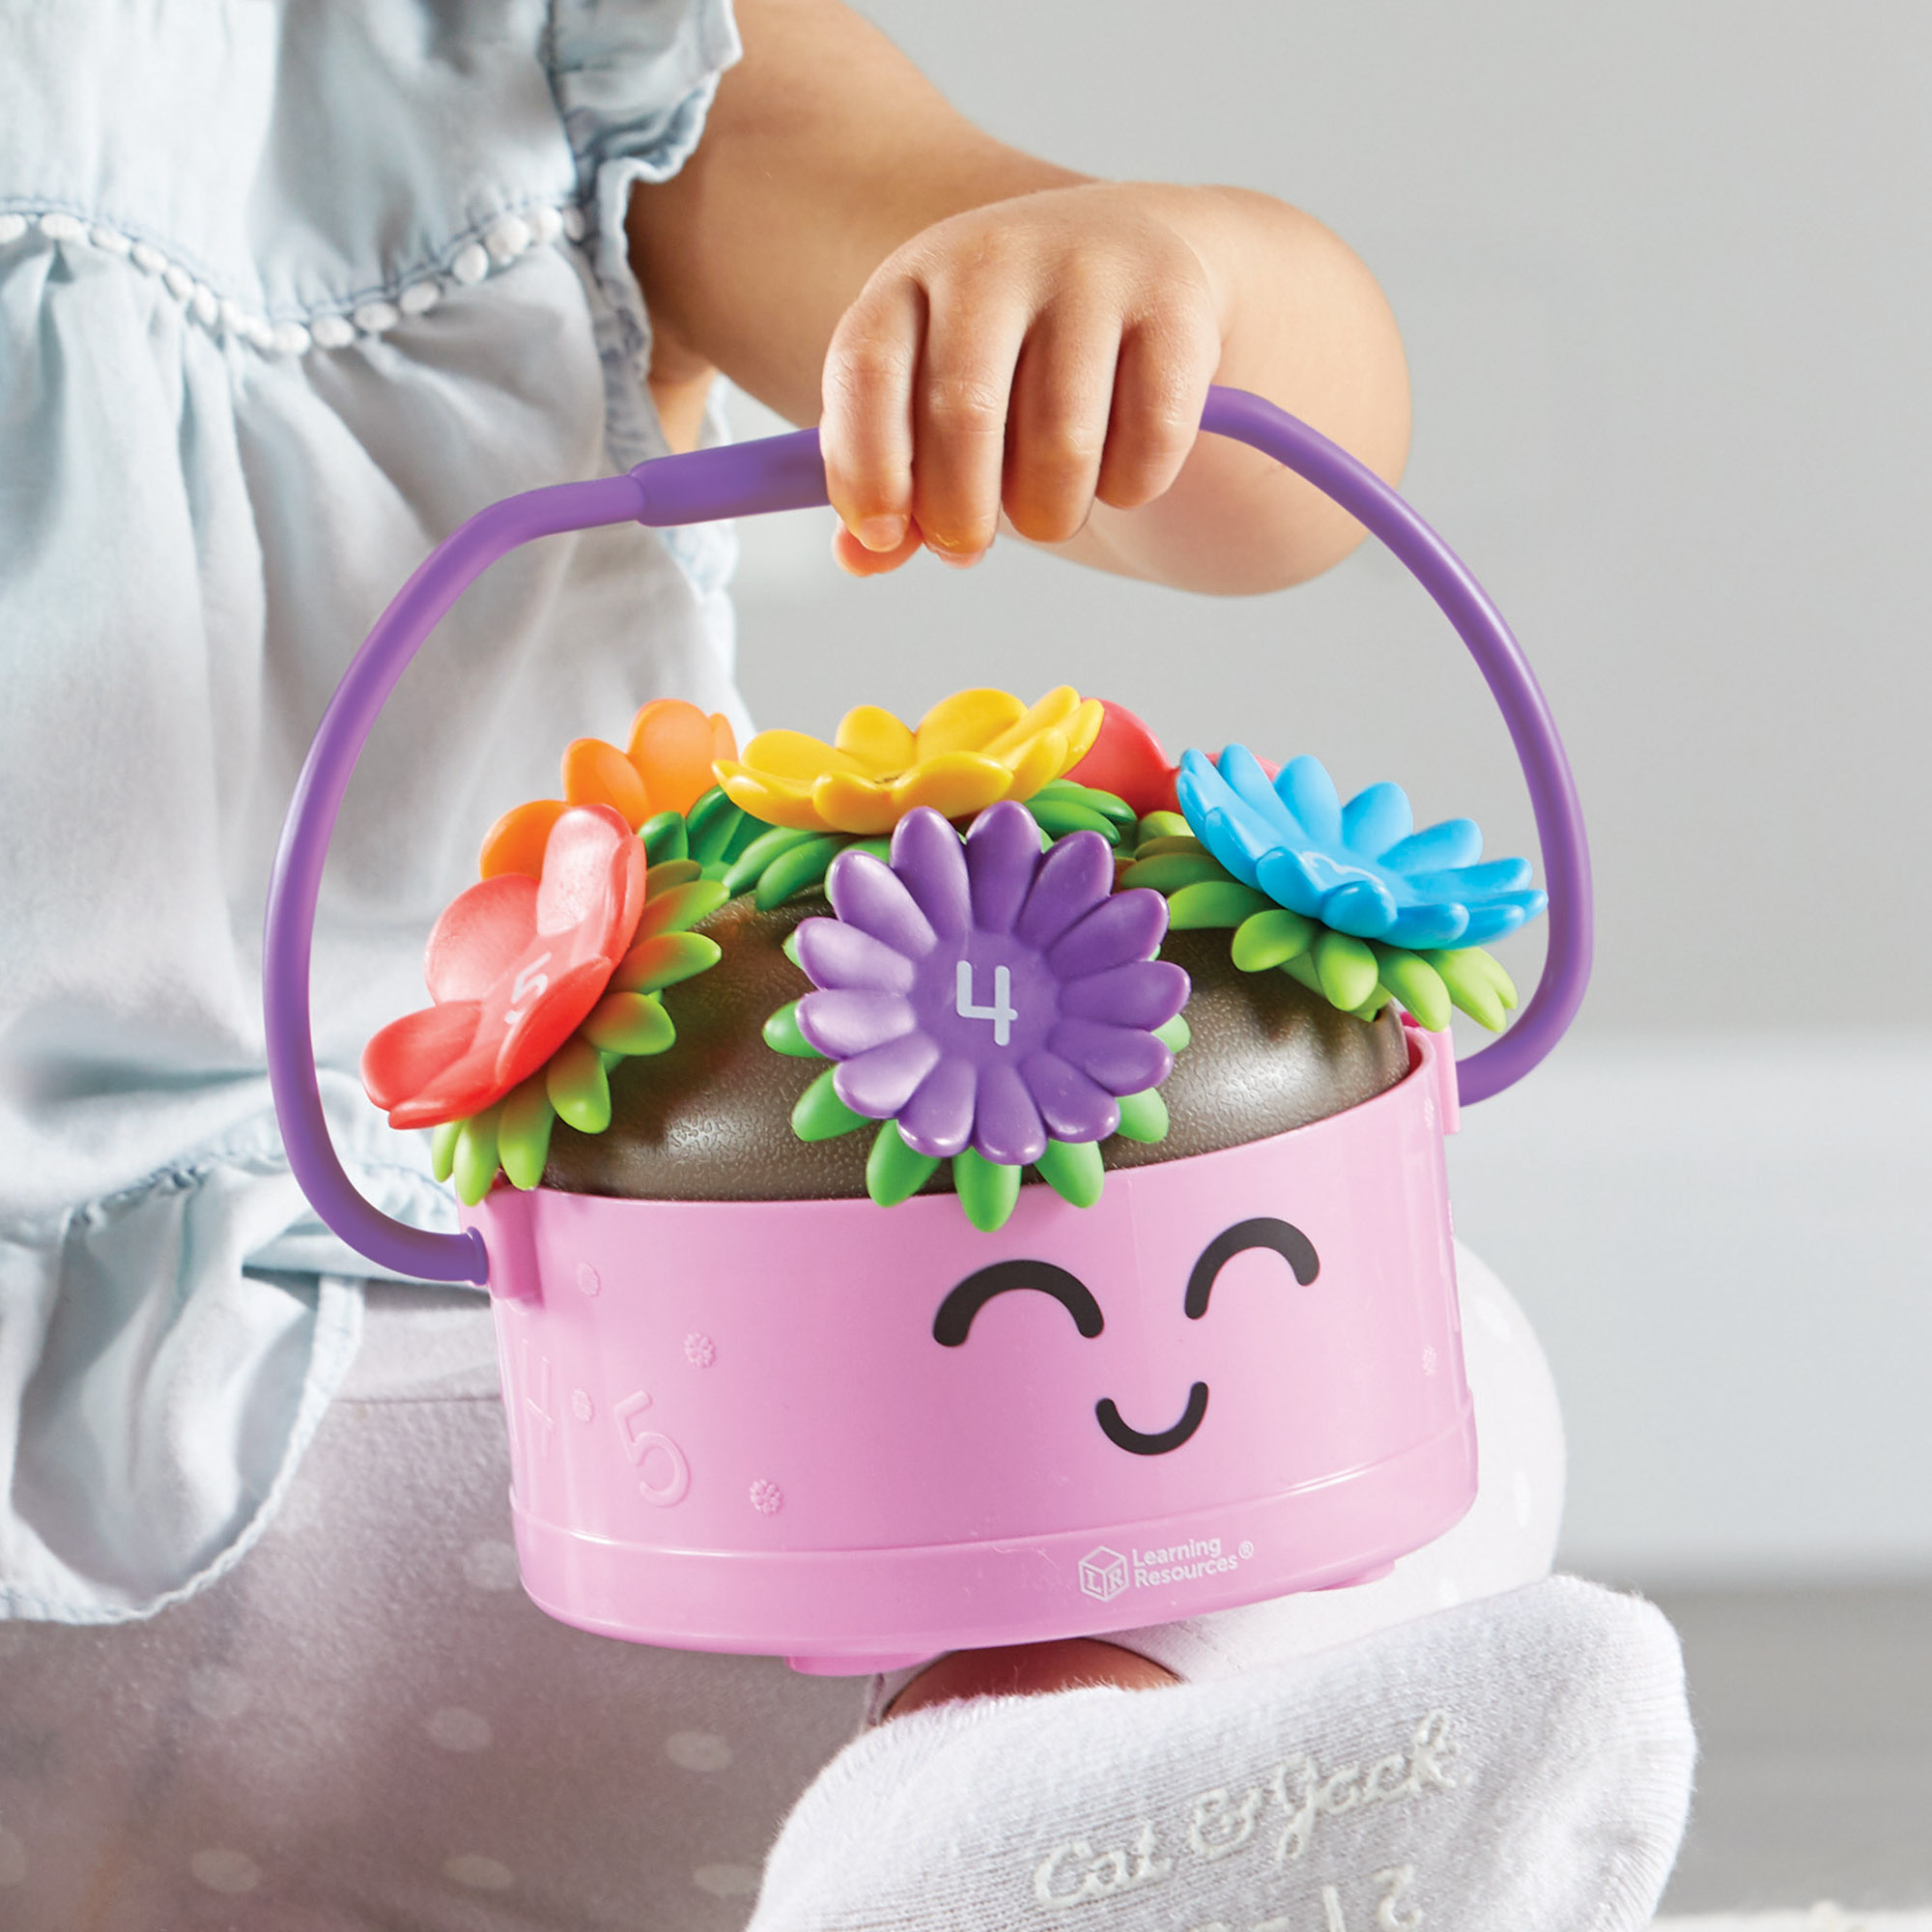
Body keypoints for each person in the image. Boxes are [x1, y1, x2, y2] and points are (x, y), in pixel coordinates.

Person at [0, 1, 1690, 1924]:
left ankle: (1009, 1812)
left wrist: (1125, 295)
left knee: (1379, 1355)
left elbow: (1274, 469)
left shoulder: (522, 46)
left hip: (468, 1461)